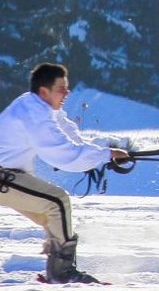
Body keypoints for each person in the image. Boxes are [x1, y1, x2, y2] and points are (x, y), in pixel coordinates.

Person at [0, 63, 130, 284]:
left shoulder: (42, 108)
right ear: (44, 91)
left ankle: (57, 272)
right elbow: (64, 154)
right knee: (57, 203)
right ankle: (62, 273)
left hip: (10, 176)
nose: (67, 93)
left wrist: (106, 155)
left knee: (54, 216)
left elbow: (73, 140)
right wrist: (105, 155)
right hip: (5, 176)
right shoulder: (34, 114)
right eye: (62, 88)